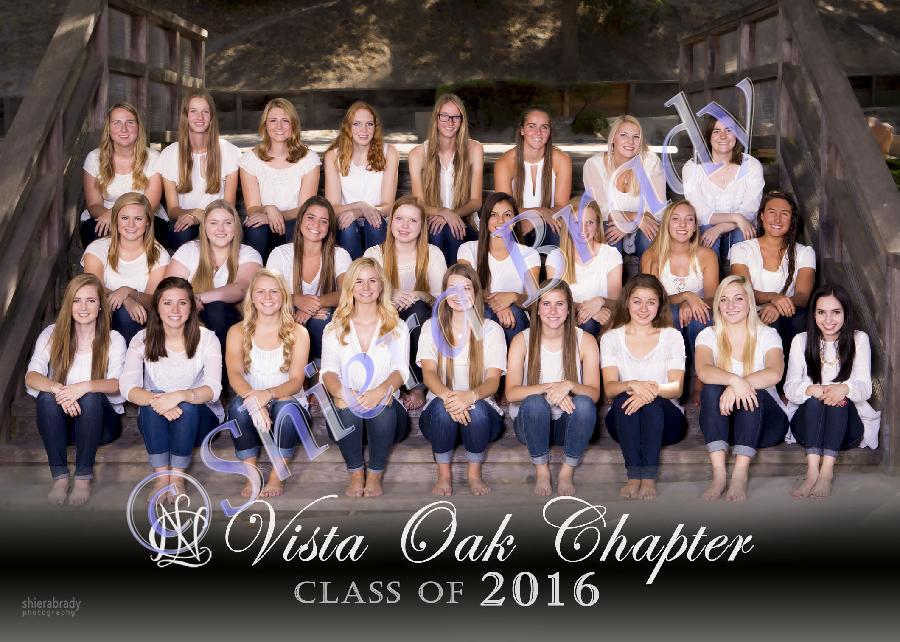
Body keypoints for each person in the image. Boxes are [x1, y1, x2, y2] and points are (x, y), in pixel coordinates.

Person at [25, 274, 126, 507]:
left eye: (90, 301)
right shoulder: (52, 334)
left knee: (91, 397)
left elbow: (118, 383)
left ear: (100, 306)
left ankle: (82, 478)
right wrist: (60, 390)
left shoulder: (114, 339)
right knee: (47, 397)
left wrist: (82, 388)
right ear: (68, 304)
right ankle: (60, 478)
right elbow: (31, 376)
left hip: (101, 426)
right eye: (76, 300)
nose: (83, 307)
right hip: (60, 427)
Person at [120, 277, 223, 500]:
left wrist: (179, 396)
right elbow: (127, 387)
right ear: (157, 307)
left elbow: (214, 388)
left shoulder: (207, 339)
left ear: (191, 307)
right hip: (156, 418)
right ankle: (161, 477)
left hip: (200, 421)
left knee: (186, 406)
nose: (175, 310)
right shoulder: (142, 339)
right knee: (150, 401)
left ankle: (177, 478)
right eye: (167, 303)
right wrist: (159, 401)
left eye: (182, 303)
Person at [320, 258, 411, 497]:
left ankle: (374, 475)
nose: (366, 287)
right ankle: (356, 474)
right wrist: (345, 393)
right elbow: (328, 372)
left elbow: (400, 371)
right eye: (359, 282)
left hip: (388, 419)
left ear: (381, 286)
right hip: (348, 417)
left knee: (383, 401)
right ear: (350, 287)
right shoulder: (334, 327)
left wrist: (378, 392)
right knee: (343, 402)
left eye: (372, 281)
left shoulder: (398, 326)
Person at [695, 275, 788, 502]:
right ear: (718, 304)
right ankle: (719, 476)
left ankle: (739, 475)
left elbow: (775, 372)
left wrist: (740, 385)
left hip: (766, 425)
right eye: (724, 299)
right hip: (726, 427)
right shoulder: (708, 335)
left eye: (738, 298)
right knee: (711, 388)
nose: (731, 305)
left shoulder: (767, 334)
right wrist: (734, 382)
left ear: (749, 303)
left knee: (753, 391)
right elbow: (704, 370)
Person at [418, 264, 506, 496]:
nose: (459, 295)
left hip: (483, 416)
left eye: (466, 288)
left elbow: (493, 381)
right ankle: (444, 475)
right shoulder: (431, 327)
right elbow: (429, 373)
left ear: (476, 292)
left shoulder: (491, 330)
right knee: (441, 408)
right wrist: (451, 399)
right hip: (439, 414)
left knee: (477, 409)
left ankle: (474, 474)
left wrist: (469, 397)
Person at [506, 281, 601, 497]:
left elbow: (594, 394)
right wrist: (552, 390)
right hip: (531, 424)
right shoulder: (522, 340)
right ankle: (542, 471)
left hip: (568, 426)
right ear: (538, 309)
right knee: (534, 402)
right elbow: (511, 393)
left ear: (569, 309)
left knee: (584, 403)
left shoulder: (585, 340)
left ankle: (566, 472)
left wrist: (569, 385)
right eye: (546, 304)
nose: (553, 311)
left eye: (560, 304)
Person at [785, 284, 880, 498]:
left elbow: (865, 387)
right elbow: (789, 388)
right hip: (807, 427)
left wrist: (843, 388)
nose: (828, 319)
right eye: (821, 312)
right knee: (813, 400)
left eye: (836, 312)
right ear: (814, 314)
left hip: (846, 430)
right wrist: (814, 389)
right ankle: (812, 472)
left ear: (846, 313)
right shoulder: (801, 341)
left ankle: (826, 473)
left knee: (839, 401)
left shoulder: (859, 339)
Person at [224, 270, 311, 498]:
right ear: (252, 297)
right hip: (252, 404)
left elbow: (296, 381)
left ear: (284, 296)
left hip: (287, 402)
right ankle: (251, 474)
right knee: (238, 407)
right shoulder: (237, 331)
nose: (268, 297)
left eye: (274, 291)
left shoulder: (299, 332)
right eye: (261, 292)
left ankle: (276, 476)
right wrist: (255, 401)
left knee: (287, 408)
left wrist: (268, 395)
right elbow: (234, 375)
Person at [600, 274, 687, 500]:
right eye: (637, 301)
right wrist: (633, 384)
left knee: (652, 403)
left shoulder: (672, 336)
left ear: (659, 305)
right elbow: (610, 389)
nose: (643, 308)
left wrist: (648, 393)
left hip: (667, 423)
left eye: (651, 302)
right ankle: (633, 477)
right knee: (623, 398)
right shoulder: (611, 338)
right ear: (627, 302)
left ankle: (647, 478)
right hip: (624, 421)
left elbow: (676, 388)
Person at [364, 195, 447, 410]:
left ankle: (417, 386)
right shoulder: (374, 254)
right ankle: (389, 384)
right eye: (399, 219)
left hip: (420, 321)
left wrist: (420, 294)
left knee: (417, 310)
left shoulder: (433, 254)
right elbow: (359, 294)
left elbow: (444, 301)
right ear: (391, 221)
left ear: (422, 226)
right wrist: (388, 294)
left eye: (412, 220)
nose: (404, 226)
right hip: (384, 319)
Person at [166, 200, 262, 358]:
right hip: (190, 321)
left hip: (231, 324)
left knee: (216, 309)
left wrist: (196, 298)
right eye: (213, 223)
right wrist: (188, 302)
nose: (221, 229)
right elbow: (168, 291)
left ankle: (223, 369)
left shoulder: (248, 253)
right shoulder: (189, 250)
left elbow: (241, 288)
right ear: (204, 227)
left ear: (236, 226)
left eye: (227, 223)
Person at [729, 191, 815, 357]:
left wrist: (777, 306)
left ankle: (785, 372)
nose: (777, 219)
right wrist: (773, 297)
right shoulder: (741, 249)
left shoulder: (805, 253)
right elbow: (743, 291)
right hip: (749, 311)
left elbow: (803, 296)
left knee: (789, 319)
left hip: (787, 313)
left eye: (784, 214)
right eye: (771, 212)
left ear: (792, 220)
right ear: (762, 216)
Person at [266, 196, 351, 363]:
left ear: (329, 228)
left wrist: (314, 304)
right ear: (300, 220)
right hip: (287, 316)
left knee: (323, 319)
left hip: (321, 318)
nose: (316, 225)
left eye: (323, 221)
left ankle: (321, 372)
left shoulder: (339, 254)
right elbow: (268, 293)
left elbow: (347, 292)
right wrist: (297, 300)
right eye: (311, 217)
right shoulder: (280, 254)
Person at [155, 90, 241, 250]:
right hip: (185, 220)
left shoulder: (229, 151)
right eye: (193, 111)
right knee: (183, 232)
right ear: (185, 116)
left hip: (221, 221)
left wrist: (202, 216)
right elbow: (173, 209)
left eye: (205, 112)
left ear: (212, 116)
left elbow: (229, 205)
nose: (199, 117)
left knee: (221, 231)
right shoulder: (170, 153)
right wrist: (194, 215)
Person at [82, 192, 170, 345]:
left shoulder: (159, 254)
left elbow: (154, 301)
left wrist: (129, 292)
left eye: (138, 219)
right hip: (101, 316)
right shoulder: (97, 249)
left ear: (148, 222)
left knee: (126, 316)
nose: (131, 225)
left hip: (142, 320)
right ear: (115, 220)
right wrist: (126, 300)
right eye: (124, 218)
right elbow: (92, 289)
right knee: (122, 313)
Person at [239, 98, 321, 261]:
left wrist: (277, 215)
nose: (279, 126)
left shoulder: (309, 159)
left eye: (285, 120)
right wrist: (269, 209)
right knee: (256, 228)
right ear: (265, 125)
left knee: (300, 227)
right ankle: (254, 272)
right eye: (273, 120)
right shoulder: (250, 159)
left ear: (293, 125)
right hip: (262, 220)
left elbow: (306, 208)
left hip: (295, 220)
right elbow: (252, 208)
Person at [408, 93, 483, 264]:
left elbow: (476, 201)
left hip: (467, 225)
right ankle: (441, 279)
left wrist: (452, 215)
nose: (450, 122)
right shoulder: (418, 154)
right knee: (437, 231)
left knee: (451, 229)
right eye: (445, 116)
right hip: (432, 225)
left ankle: (454, 278)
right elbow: (419, 203)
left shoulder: (474, 149)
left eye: (456, 117)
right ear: (436, 118)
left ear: (462, 120)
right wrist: (443, 212)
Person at [640, 200, 718, 364]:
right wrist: (685, 296)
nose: (683, 224)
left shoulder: (707, 256)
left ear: (695, 226)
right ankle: (670, 368)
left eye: (689, 219)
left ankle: (700, 372)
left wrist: (691, 303)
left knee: (700, 316)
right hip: (666, 316)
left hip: (697, 320)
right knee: (672, 313)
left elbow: (714, 299)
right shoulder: (651, 256)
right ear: (666, 224)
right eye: (675, 219)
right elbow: (650, 300)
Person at [457, 192, 540, 345]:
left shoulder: (529, 254)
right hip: (479, 314)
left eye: (507, 215)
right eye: (493, 215)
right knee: (485, 311)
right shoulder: (468, 249)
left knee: (514, 313)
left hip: (517, 321)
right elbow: (465, 289)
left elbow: (534, 301)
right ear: (485, 219)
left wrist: (514, 297)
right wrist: (499, 304)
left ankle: (513, 360)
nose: (501, 221)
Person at [81, 102, 166, 247]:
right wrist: (113, 217)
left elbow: (151, 204)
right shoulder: (94, 158)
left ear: (138, 128)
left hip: (144, 216)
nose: (124, 129)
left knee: (144, 234)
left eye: (130, 123)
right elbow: (94, 204)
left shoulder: (154, 158)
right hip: (104, 214)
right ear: (108, 129)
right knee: (95, 234)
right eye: (117, 123)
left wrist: (118, 215)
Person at [324, 101, 400, 259]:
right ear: (348, 127)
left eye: (369, 124)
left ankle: (378, 271)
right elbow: (332, 208)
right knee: (349, 229)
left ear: (375, 127)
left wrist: (360, 211)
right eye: (357, 124)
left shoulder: (389, 152)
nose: (364, 130)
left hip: (378, 223)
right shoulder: (333, 156)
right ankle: (354, 273)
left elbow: (388, 206)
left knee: (374, 223)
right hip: (346, 223)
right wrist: (360, 205)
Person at [582, 115, 665, 257]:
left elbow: (658, 209)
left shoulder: (651, 163)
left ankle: (645, 272)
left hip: (642, 225)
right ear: (613, 138)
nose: (630, 141)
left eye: (636, 136)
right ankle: (614, 271)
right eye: (624, 135)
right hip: (611, 224)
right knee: (609, 233)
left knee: (650, 234)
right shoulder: (594, 165)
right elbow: (600, 211)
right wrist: (635, 217)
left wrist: (631, 224)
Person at [685, 116, 765, 262]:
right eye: (716, 131)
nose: (723, 136)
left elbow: (750, 210)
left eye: (729, 130)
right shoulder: (692, 167)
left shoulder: (752, 165)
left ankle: (738, 276)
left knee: (742, 233)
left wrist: (720, 228)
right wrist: (736, 217)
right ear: (708, 136)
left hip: (740, 229)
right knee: (708, 235)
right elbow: (700, 213)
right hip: (706, 228)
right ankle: (712, 276)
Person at [493, 106, 573, 246]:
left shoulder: (562, 160)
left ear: (549, 132)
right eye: (532, 126)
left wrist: (537, 219)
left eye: (544, 127)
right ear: (522, 130)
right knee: (508, 233)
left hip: (549, 222)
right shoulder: (504, 163)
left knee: (557, 232)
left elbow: (562, 206)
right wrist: (539, 212)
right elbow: (504, 210)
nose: (538, 132)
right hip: (517, 222)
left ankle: (554, 261)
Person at [546, 197, 623, 337]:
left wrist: (600, 301)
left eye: (590, 222)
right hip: (567, 322)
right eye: (576, 222)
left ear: (597, 224)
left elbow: (616, 303)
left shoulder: (611, 255)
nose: (583, 229)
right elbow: (554, 301)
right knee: (588, 322)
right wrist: (591, 311)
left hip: (602, 324)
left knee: (597, 322)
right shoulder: (555, 258)